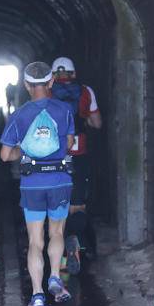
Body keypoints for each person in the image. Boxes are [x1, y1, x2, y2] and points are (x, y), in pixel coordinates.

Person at [0, 62, 75, 306]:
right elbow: (69, 144)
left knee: (35, 241)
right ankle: (55, 275)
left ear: (26, 85)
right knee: (57, 233)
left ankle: (38, 295)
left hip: (32, 184)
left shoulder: (19, 115)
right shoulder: (64, 110)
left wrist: (26, 150)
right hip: (60, 181)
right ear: (51, 81)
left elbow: (5, 155)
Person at [50, 57, 102, 275]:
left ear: (53, 75)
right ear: (73, 72)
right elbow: (97, 123)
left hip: (53, 157)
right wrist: (85, 120)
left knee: (57, 209)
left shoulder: (47, 91)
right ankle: (74, 240)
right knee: (78, 206)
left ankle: (61, 253)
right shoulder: (85, 91)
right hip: (79, 156)